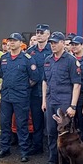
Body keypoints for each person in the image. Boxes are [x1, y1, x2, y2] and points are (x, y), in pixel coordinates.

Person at [40, 32, 82, 164]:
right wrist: (44, 101)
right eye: (51, 43)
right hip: (51, 101)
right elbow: (44, 81)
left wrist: (73, 106)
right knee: (51, 132)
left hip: (64, 103)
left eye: (55, 42)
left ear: (63, 43)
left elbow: (76, 84)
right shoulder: (47, 60)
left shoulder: (71, 60)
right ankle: (53, 161)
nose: (52, 45)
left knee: (66, 135)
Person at [0, 33, 40, 161]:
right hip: (7, 96)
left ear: (21, 43)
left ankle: (24, 151)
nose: (11, 43)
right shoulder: (4, 58)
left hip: (21, 97)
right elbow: (2, 75)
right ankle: (4, 148)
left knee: (22, 124)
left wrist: (24, 87)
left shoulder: (27, 59)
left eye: (14, 41)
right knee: (5, 123)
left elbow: (34, 78)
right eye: (10, 41)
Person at [27, 24, 53, 156]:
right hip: (35, 92)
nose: (39, 34)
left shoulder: (53, 50)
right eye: (37, 32)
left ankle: (53, 150)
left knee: (52, 124)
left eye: (42, 32)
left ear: (48, 34)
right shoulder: (30, 51)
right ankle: (37, 146)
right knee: (37, 121)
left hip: (51, 93)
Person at [68, 35, 83, 146]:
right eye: (72, 44)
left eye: (77, 44)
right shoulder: (68, 59)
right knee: (70, 125)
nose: (74, 47)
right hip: (70, 95)